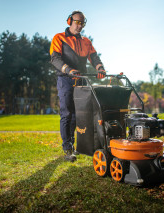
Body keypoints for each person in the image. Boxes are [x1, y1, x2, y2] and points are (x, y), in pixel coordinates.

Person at [50, 11, 106, 162]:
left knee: (81, 114)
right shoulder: (59, 38)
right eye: (77, 22)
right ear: (69, 21)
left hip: (82, 79)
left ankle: (81, 145)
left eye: (82, 23)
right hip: (65, 79)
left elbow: (94, 57)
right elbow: (55, 59)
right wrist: (68, 70)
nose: (79, 26)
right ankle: (68, 148)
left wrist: (100, 68)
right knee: (67, 113)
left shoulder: (86, 41)